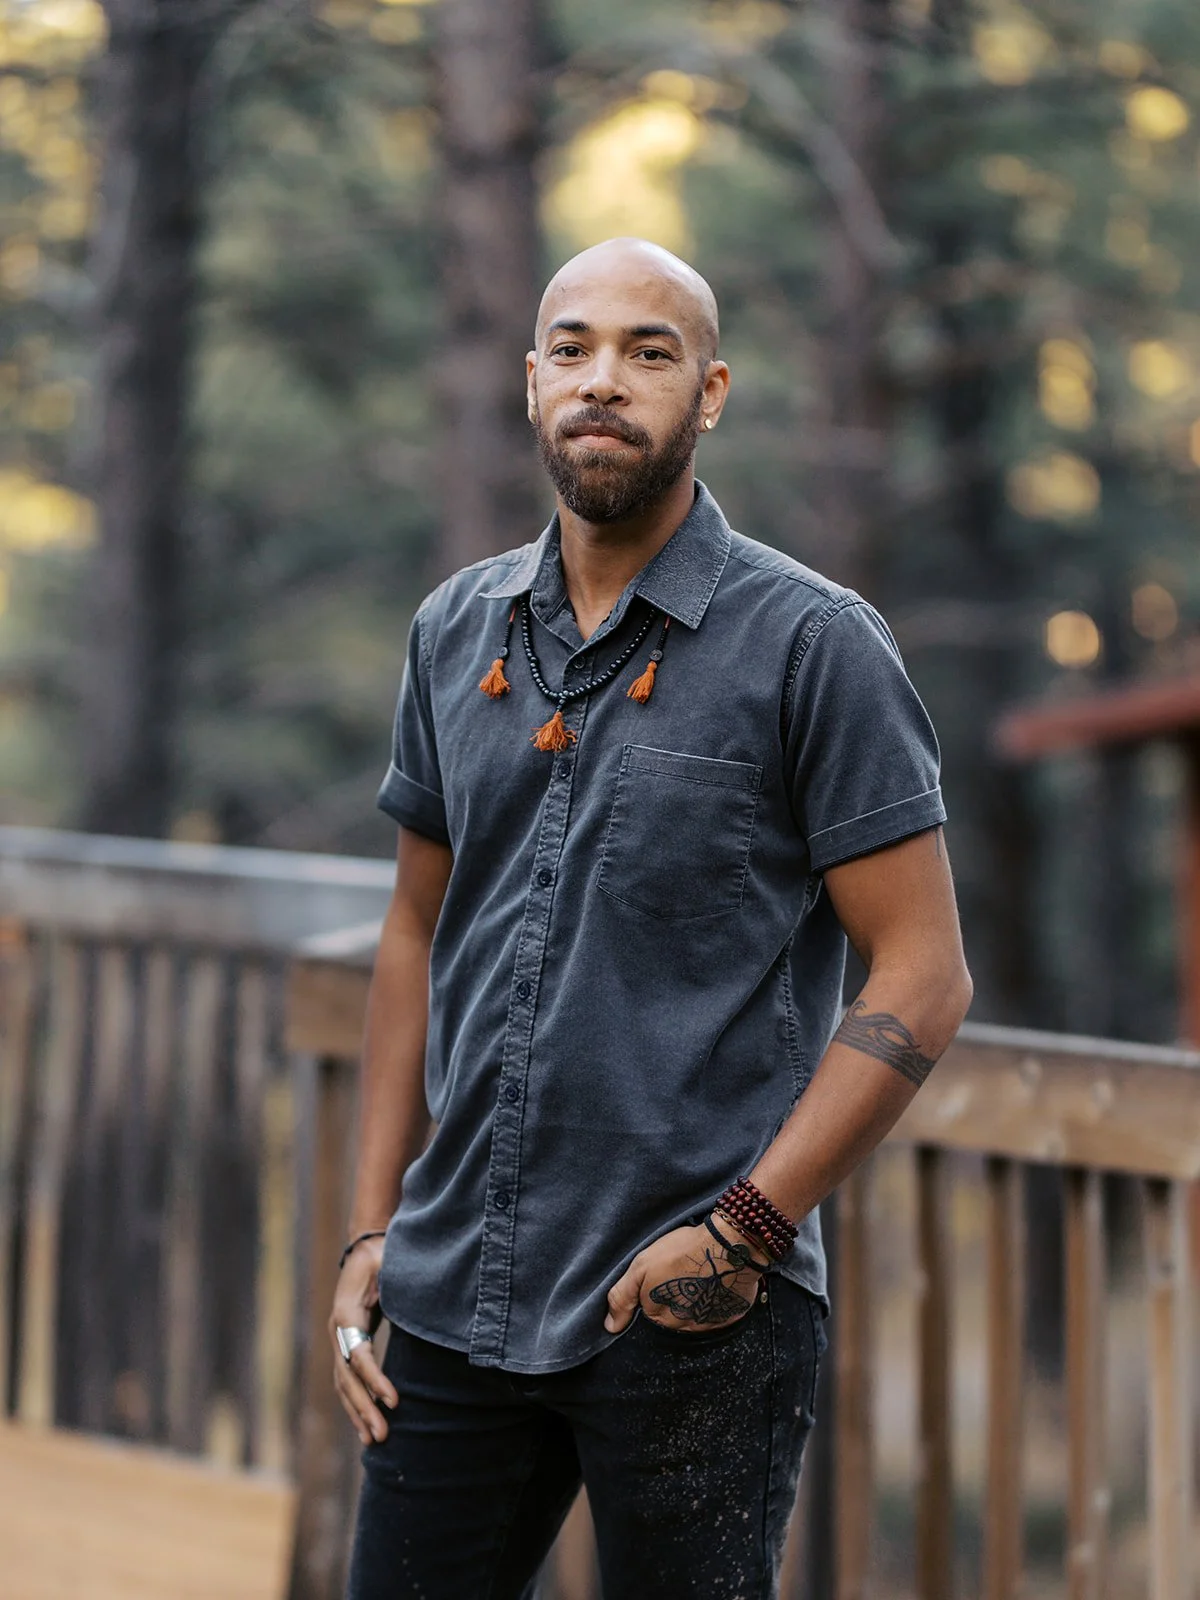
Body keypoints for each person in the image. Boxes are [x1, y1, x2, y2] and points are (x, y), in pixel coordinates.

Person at [330, 236, 972, 1599]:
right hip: (455, 1288)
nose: (603, 381)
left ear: (712, 392)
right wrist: (370, 1228)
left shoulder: (813, 645)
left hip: (690, 1304)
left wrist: (742, 1235)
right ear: (531, 382)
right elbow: (412, 933)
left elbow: (923, 976)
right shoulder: (454, 630)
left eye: (649, 352)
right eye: (573, 349)